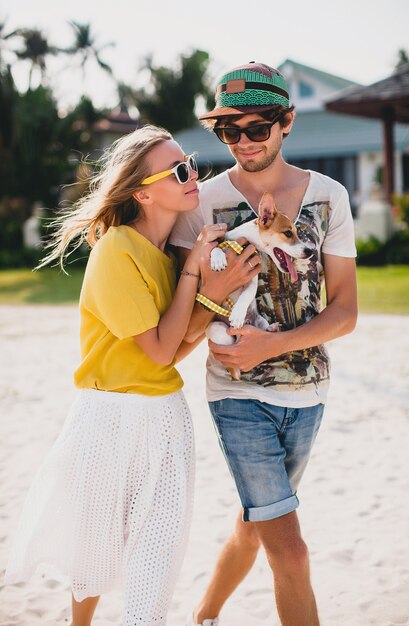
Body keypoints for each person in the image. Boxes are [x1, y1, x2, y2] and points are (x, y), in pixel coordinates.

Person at [4, 125, 255, 626]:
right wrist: (201, 282)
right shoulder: (116, 250)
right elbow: (163, 348)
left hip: (166, 420)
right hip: (107, 420)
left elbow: (180, 344)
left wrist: (212, 290)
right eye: (179, 171)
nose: (193, 176)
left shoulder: (168, 256)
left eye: (190, 163)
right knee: (94, 554)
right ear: (143, 193)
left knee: (157, 562)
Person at [170, 62, 358, 626]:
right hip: (235, 394)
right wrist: (218, 304)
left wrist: (270, 348)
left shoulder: (329, 196)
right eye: (230, 131)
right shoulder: (198, 203)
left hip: (310, 392)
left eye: (258, 127)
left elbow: (345, 310)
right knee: (292, 551)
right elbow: (181, 316)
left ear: (288, 122)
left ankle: (203, 615)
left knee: (254, 526)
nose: (243, 141)